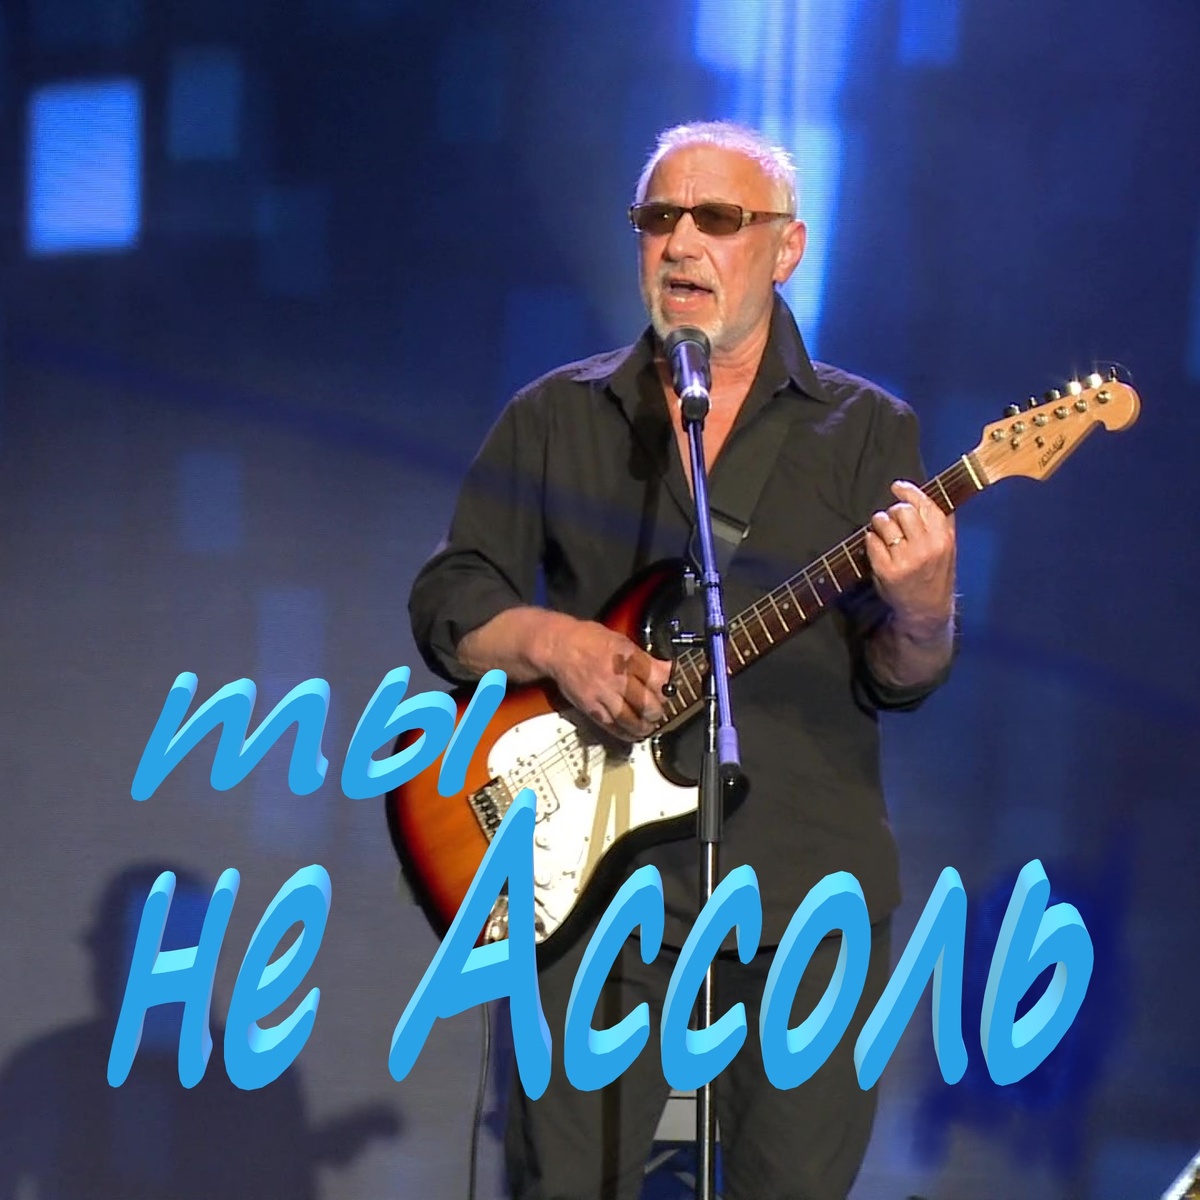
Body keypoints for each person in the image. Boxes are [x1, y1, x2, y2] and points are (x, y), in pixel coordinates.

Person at [409, 120, 956, 1200]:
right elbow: (449, 599)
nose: (682, 242)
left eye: (718, 218)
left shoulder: (866, 431)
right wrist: (558, 643)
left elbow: (899, 677)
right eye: (660, 218)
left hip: (804, 896)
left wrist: (926, 609)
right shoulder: (557, 417)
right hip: (594, 896)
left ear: (786, 248)